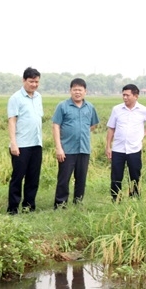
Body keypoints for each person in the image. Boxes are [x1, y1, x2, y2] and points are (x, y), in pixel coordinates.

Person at [52, 78, 100, 208]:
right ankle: (60, 204)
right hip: (67, 149)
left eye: (80, 90)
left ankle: (78, 202)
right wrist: (59, 148)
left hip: (84, 148)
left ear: (85, 91)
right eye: (75, 90)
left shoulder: (89, 107)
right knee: (64, 178)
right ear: (70, 91)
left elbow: (93, 124)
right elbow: (56, 126)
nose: (77, 92)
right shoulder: (62, 106)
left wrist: (81, 131)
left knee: (81, 178)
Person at [106, 84, 146, 201]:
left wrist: (143, 134)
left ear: (136, 96)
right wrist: (108, 146)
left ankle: (134, 198)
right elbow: (111, 128)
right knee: (116, 176)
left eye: (127, 95)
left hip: (134, 149)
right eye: (123, 95)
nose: (125, 97)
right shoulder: (117, 109)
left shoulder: (143, 110)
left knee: (134, 175)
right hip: (118, 149)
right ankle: (116, 199)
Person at [7, 67, 44, 214]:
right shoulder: (15, 98)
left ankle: (29, 206)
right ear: (24, 81)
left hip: (36, 144)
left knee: (33, 178)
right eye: (31, 81)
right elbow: (12, 121)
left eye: (36, 82)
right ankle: (13, 209)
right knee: (18, 177)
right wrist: (13, 143)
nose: (34, 84)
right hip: (21, 145)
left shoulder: (38, 97)